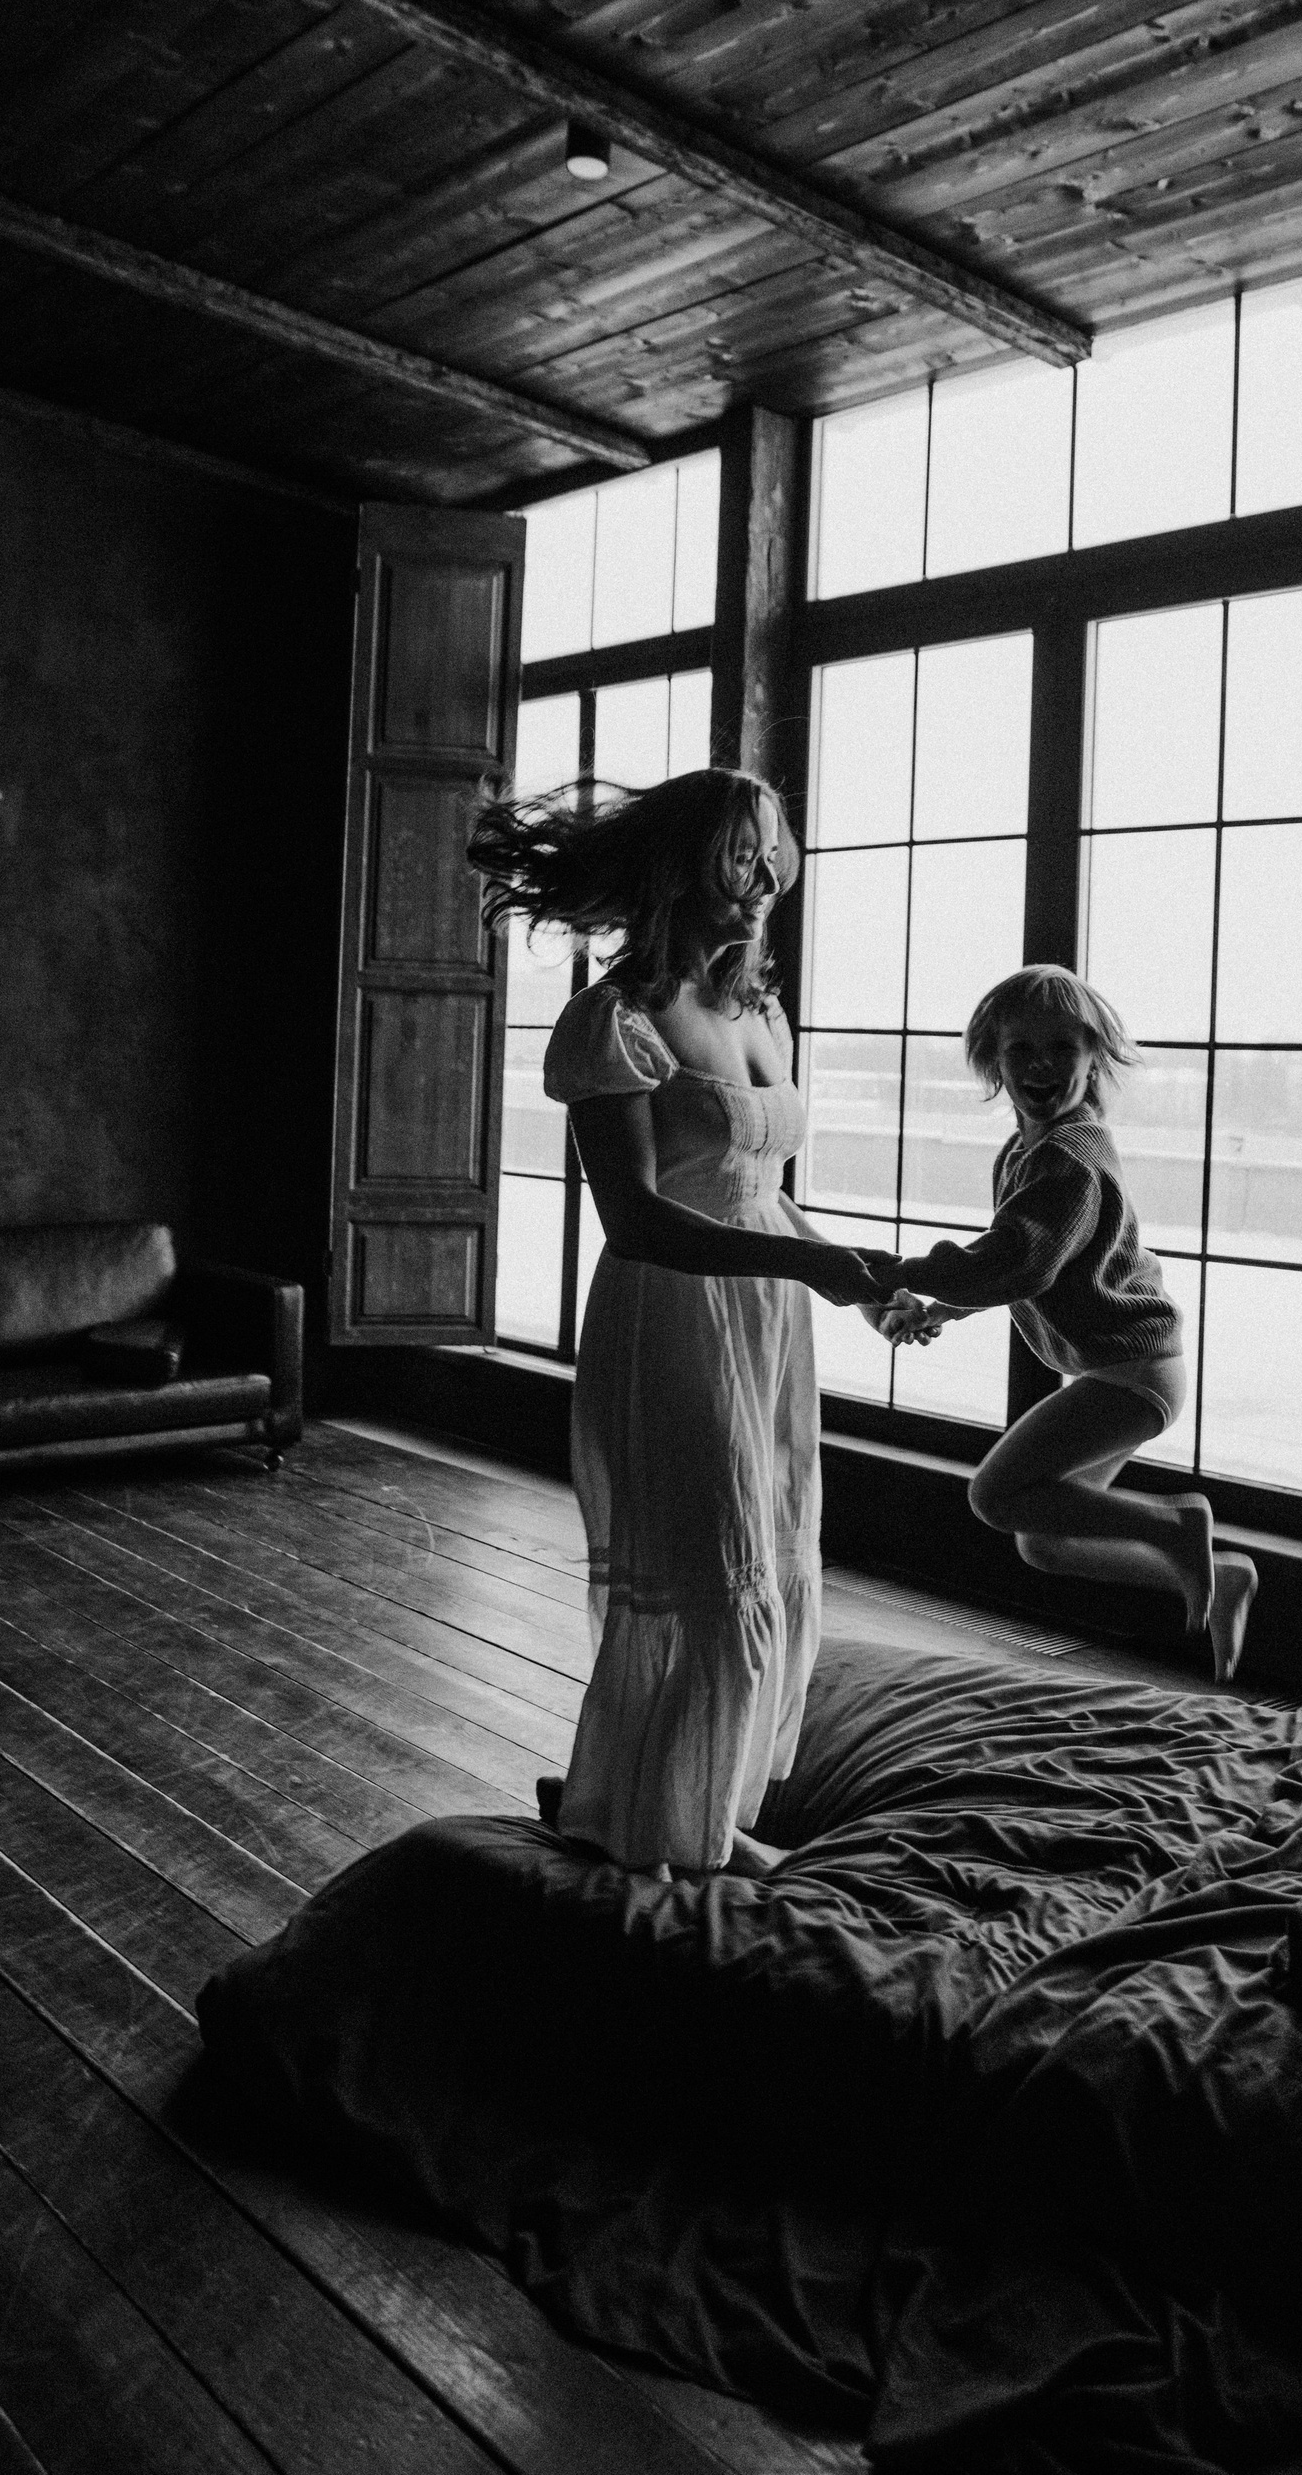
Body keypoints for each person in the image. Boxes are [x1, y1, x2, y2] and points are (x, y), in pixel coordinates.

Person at [469, 769, 904, 1877]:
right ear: (680, 869)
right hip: (671, 1315)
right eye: (739, 857)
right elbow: (640, 1218)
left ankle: (657, 1800)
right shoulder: (617, 1020)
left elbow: (758, 1189)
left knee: (775, 1550)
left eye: (772, 857)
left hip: (765, 1322)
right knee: (715, 1573)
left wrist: (860, 1279)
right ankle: (677, 1831)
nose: (764, 880)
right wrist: (806, 1263)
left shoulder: (761, 1012)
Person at [871, 965, 1257, 1682]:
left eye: (1062, 1049)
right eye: (1021, 1050)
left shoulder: (1068, 1158)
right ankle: (1219, 1572)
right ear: (993, 1060)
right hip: (1127, 1369)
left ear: (1094, 1058)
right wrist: (947, 1306)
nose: (1041, 1066)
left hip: (1132, 1373)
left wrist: (898, 1272)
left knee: (994, 1495)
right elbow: (1022, 1262)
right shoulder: (1029, 1149)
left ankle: (1178, 1524)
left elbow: (1019, 1262)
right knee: (1043, 1541)